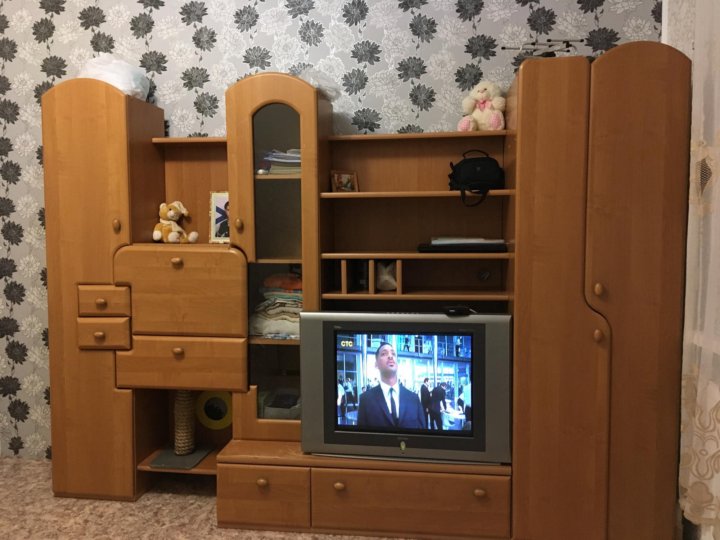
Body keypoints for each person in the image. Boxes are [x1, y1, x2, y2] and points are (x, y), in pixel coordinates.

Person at [357, 342, 426, 430]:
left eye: (393, 354)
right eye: (384, 354)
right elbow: (362, 436)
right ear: (376, 364)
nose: (390, 356)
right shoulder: (366, 400)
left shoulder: (414, 399)